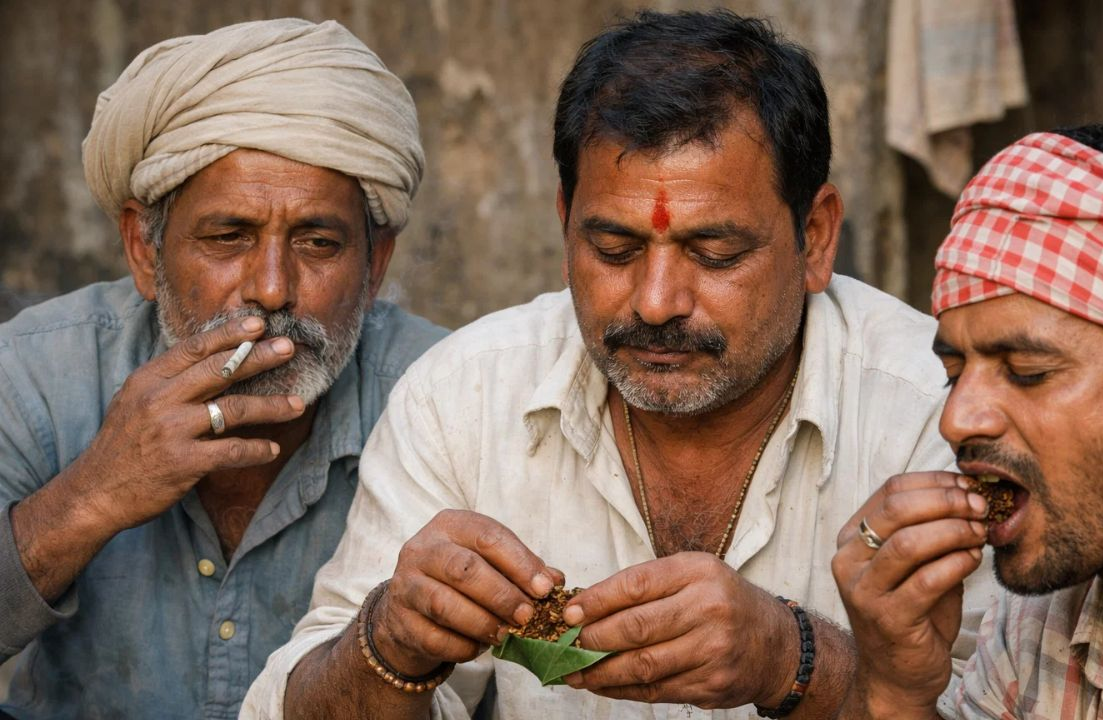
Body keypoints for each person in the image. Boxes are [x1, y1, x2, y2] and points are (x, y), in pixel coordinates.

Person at [245, 9, 996, 719]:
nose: (658, 301)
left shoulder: (940, 412)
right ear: (564, 219)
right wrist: (390, 642)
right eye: (614, 250)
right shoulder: (464, 394)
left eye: (716, 253)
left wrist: (791, 659)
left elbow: (1008, 698)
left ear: (818, 237)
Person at [0, 18, 447, 719]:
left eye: (318, 241)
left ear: (375, 263)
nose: (271, 289)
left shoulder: (447, 394)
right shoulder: (33, 373)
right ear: (144, 251)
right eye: (227, 237)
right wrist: (92, 495)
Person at [832, 117, 1103, 719]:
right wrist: (893, 688)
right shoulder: (1042, 615)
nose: (957, 420)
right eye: (954, 371)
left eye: (1026, 371)